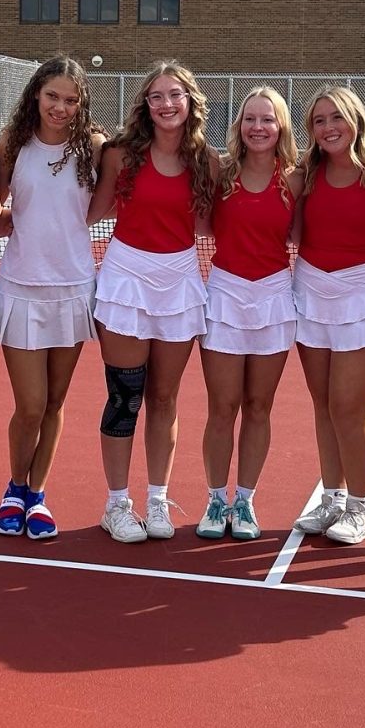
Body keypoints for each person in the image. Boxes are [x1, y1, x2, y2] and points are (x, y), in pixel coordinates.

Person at [87, 61, 219, 543]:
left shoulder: (207, 160)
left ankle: (157, 500)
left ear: (190, 102)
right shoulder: (121, 155)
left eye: (175, 95)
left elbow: (210, 225)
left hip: (179, 283)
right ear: (146, 104)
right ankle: (117, 504)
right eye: (157, 96)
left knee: (164, 398)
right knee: (126, 396)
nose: (166, 104)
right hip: (126, 280)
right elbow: (93, 210)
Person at [0, 55, 106, 540]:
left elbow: (99, 207)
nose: (60, 107)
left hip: (74, 289)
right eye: (52, 96)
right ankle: (14, 486)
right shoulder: (11, 146)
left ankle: (35, 494)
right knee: (30, 404)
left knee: (55, 403)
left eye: (71, 99)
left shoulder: (96, 148)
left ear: (82, 104)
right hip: (20, 288)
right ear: (36, 94)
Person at [291, 85, 365, 545]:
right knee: (323, 406)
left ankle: (360, 507)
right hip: (311, 290)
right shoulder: (305, 173)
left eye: (336, 117)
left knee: (349, 409)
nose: (329, 127)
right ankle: (332, 498)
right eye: (319, 121)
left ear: (356, 118)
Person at [196, 87, 302, 541]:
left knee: (259, 407)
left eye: (268, 119)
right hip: (224, 294)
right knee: (222, 408)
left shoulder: (296, 179)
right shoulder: (221, 173)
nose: (258, 127)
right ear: (238, 126)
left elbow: (300, 234)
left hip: (275, 296)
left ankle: (244, 500)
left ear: (281, 127)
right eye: (249, 119)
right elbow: (199, 222)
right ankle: (216, 500)